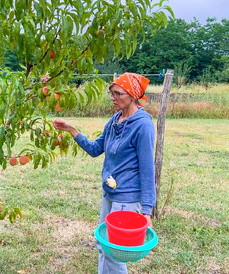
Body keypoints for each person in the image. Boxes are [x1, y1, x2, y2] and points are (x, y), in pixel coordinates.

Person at [53, 72, 156, 274]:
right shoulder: (115, 120)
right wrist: (71, 129)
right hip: (110, 193)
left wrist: (147, 210)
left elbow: (147, 170)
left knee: (116, 252)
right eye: (112, 94)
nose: (113, 98)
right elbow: (95, 149)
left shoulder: (143, 126)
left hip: (127, 198)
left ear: (133, 95)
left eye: (118, 94)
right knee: (104, 245)